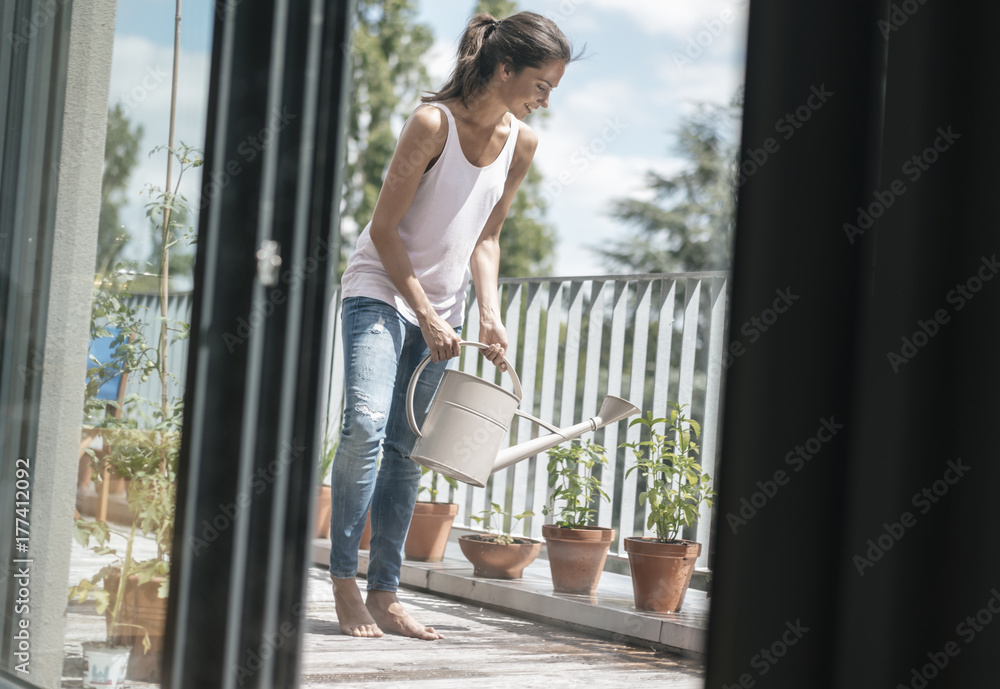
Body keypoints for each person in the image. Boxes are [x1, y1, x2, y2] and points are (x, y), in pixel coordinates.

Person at [328, 10, 577, 640]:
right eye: (541, 84)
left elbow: (486, 238)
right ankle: (342, 581)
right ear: (503, 68)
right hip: (381, 290)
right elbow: (384, 231)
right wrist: (428, 312)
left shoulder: (520, 142)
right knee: (364, 424)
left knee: (408, 451)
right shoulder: (431, 122)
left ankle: (386, 592)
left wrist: (487, 314)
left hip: (445, 310)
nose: (546, 99)